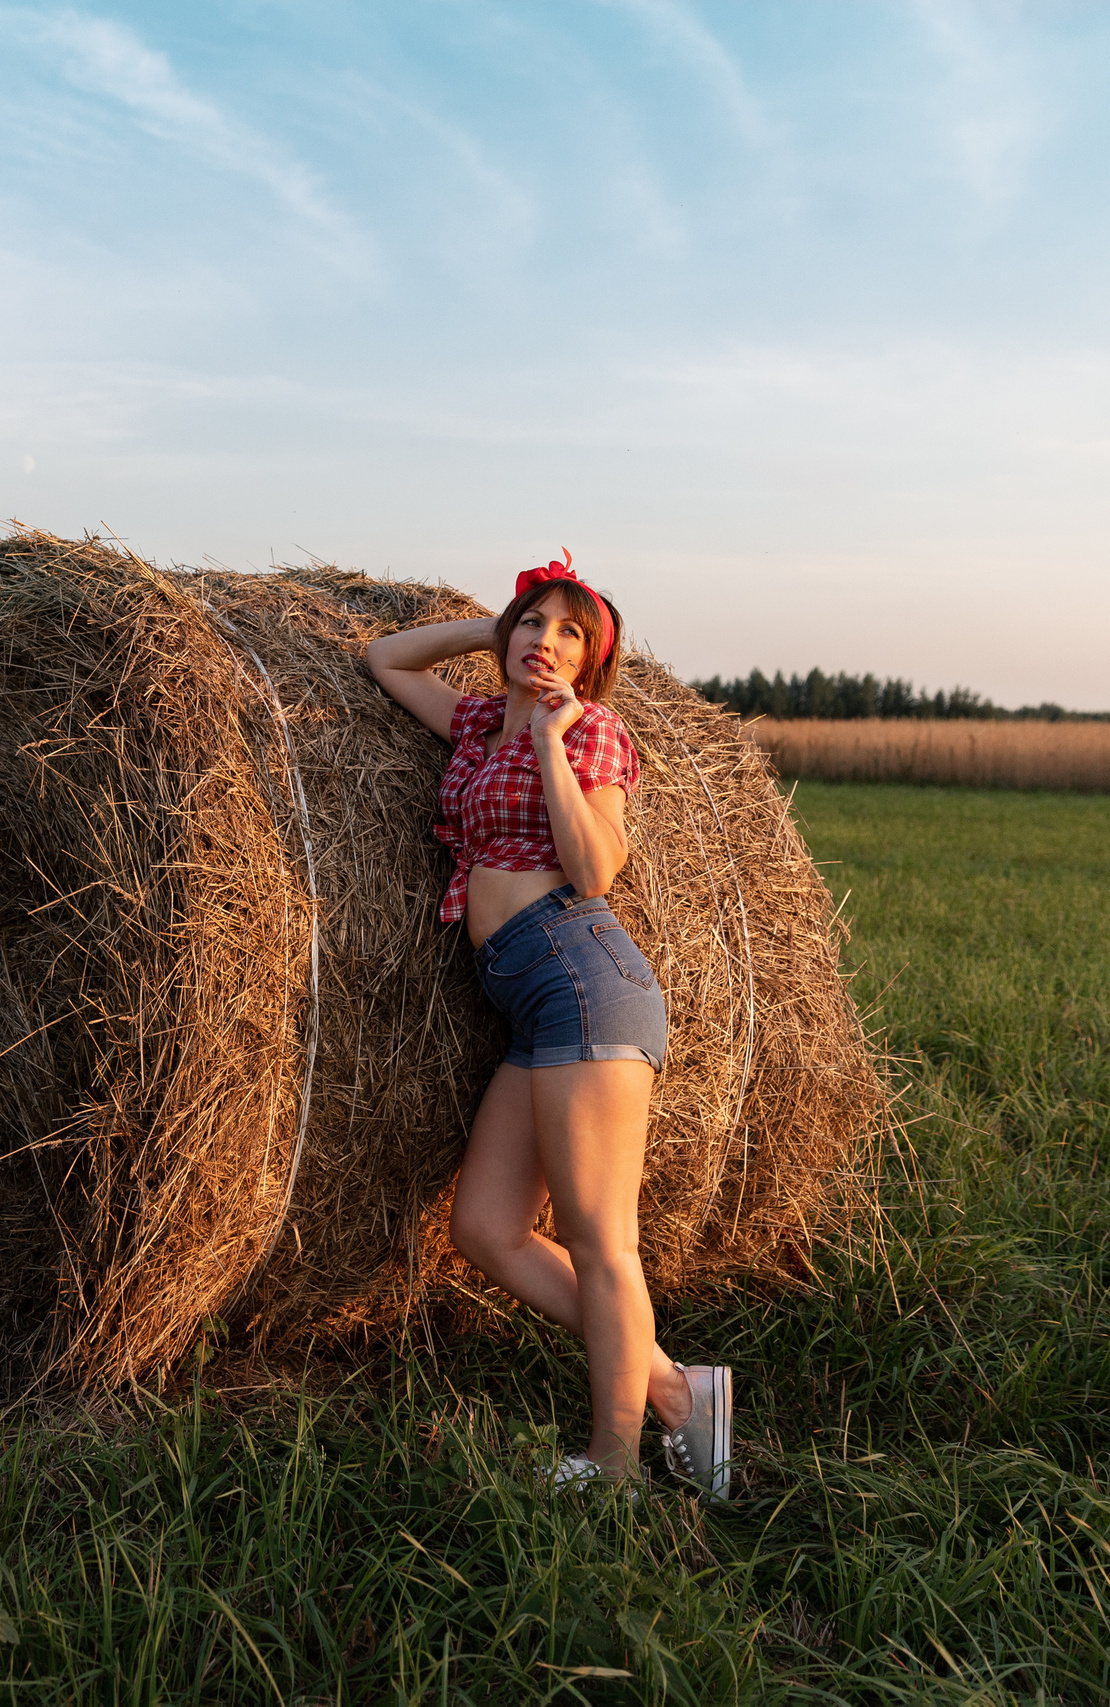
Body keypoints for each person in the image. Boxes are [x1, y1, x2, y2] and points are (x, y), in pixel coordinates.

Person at [367, 554, 732, 1496]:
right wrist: (484, 631)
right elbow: (387, 659)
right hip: (528, 995)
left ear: (591, 661)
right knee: (487, 1226)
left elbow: (596, 868)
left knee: (600, 1236)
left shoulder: (595, 734)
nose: (546, 642)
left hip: (580, 974)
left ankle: (613, 1464)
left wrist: (553, 743)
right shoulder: (483, 720)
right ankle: (676, 1391)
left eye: (570, 631)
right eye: (533, 623)